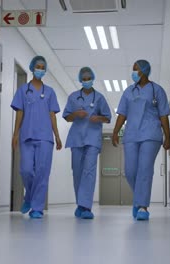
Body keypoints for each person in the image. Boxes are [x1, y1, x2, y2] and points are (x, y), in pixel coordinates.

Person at [112, 59, 170, 221]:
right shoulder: (128, 92)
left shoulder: (157, 90)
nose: (133, 72)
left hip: (151, 134)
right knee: (130, 171)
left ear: (144, 71)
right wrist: (115, 132)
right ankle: (139, 200)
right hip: (131, 134)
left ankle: (143, 207)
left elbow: (164, 115)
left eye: (135, 69)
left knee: (144, 169)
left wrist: (168, 136)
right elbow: (122, 114)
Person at [11, 55, 62, 219]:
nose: (40, 69)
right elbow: (20, 112)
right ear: (32, 68)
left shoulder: (50, 92)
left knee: (42, 173)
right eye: (37, 66)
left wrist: (57, 136)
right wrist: (15, 134)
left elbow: (52, 115)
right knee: (26, 170)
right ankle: (29, 197)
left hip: (46, 137)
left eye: (42, 67)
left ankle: (37, 208)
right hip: (27, 135)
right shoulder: (23, 90)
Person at [63, 67, 111, 219]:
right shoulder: (73, 97)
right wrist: (76, 114)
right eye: (84, 78)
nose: (86, 80)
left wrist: (99, 118)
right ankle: (80, 204)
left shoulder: (100, 98)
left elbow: (108, 117)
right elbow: (67, 117)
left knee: (89, 172)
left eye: (89, 78)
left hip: (92, 138)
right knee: (77, 172)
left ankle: (86, 207)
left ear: (93, 78)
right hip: (77, 139)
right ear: (80, 80)